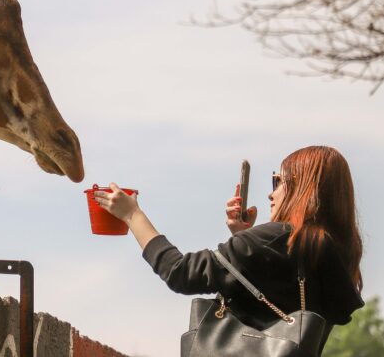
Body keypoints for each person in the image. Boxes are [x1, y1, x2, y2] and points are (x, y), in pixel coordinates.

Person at [93, 145, 364, 349]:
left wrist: (132, 216)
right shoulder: (332, 255)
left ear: (303, 188)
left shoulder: (273, 239)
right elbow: (276, 299)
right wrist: (243, 238)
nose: (272, 192)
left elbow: (179, 272)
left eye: (278, 181)